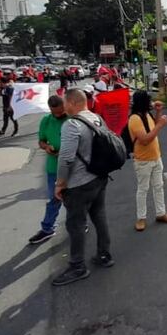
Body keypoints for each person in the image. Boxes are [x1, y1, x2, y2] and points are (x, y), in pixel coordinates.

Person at [52, 89, 114, 286]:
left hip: (79, 183)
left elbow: (66, 158)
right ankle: (104, 254)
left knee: (76, 224)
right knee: (99, 215)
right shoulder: (96, 118)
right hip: (99, 177)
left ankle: (77, 266)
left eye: (65, 103)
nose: (64, 107)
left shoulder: (71, 124)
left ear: (72, 103)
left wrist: (60, 183)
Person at [128, 90, 167, 232]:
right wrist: (160, 124)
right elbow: (144, 140)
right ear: (143, 102)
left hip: (156, 157)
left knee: (158, 186)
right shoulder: (135, 118)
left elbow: (152, 127)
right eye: (149, 100)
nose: (151, 102)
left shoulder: (146, 114)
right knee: (143, 189)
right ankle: (141, 218)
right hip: (143, 160)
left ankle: (161, 214)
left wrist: (158, 113)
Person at [29, 95, 68, 245]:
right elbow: (41, 141)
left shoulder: (71, 119)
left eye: (60, 112)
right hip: (54, 167)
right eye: (55, 113)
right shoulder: (46, 120)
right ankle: (47, 228)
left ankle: (78, 223)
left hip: (72, 166)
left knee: (74, 199)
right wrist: (46, 147)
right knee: (54, 198)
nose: (58, 116)